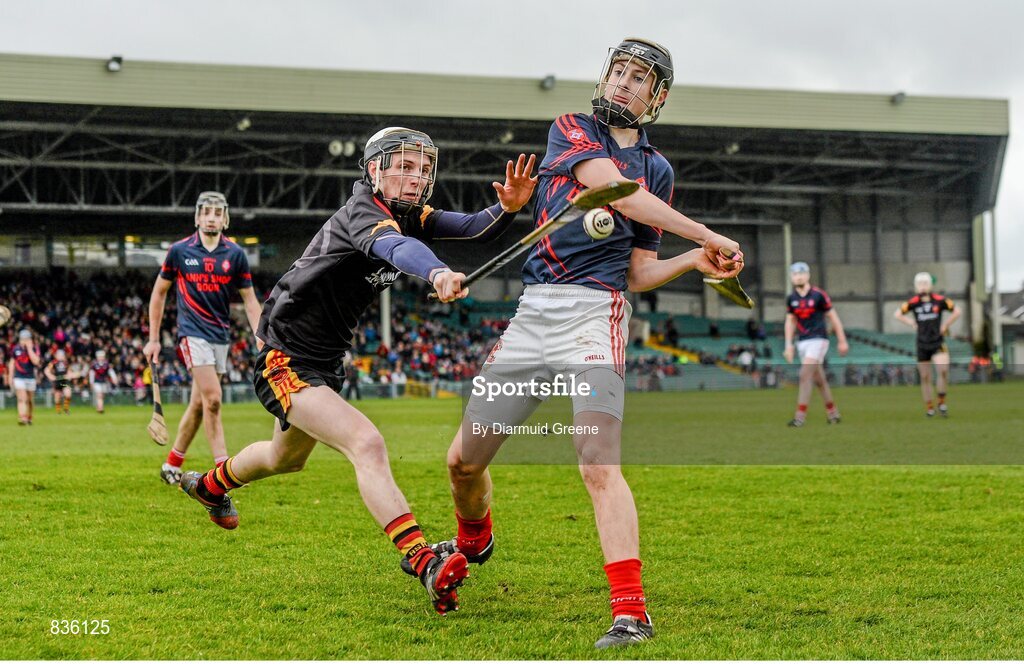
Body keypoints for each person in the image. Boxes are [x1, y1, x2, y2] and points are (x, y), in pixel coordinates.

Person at [420, 37, 743, 649]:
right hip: (535, 312)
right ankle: (472, 541)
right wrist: (710, 233)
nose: (623, 82)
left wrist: (694, 258)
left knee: (598, 463)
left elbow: (638, 272)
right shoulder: (570, 129)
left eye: (638, 78)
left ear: (657, 97)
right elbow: (613, 188)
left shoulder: (659, 169)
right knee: (462, 463)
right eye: (617, 71)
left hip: (597, 315)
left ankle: (631, 613)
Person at [177, 127, 538, 615]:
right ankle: (423, 561)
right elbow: (397, 251)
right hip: (285, 357)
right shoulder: (365, 212)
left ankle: (210, 485)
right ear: (373, 170)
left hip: (324, 361)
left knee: (285, 458)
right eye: (404, 167)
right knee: (366, 443)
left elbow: (471, 227)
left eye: (424, 169)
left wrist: (509, 208)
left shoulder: (412, 215)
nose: (416, 178)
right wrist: (435, 272)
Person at [143, 191, 264, 486]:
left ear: (225, 220)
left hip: (220, 335)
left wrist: (261, 335)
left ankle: (172, 464)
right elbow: (159, 293)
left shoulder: (235, 255)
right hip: (191, 334)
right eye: (206, 212)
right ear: (197, 217)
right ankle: (224, 470)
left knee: (199, 403)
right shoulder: (180, 251)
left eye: (217, 213)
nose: (211, 217)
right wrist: (154, 338)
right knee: (213, 399)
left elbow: (250, 300)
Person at [783, 261, 849, 426]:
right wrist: (788, 345)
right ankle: (833, 413)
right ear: (791, 277)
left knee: (804, 375)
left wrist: (842, 340)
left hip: (819, 340)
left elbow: (833, 317)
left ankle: (800, 417)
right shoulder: (791, 299)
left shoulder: (819, 295)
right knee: (819, 380)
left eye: (801, 273)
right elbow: (790, 321)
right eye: (795, 274)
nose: (798, 276)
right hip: (802, 342)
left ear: (808, 275)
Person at [894, 272, 962, 416]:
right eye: (920, 284)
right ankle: (930, 408)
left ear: (930, 285)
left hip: (937, 342)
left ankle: (942, 402)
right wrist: (911, 322)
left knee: (943, 371)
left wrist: (945, 325)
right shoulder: (913, 302)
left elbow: (957, 311)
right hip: (922, 344)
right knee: (925, 377)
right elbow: (897, 314)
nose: (922, 286)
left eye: (925, 283)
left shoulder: (939, 300)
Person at [8, 329, 41, 425]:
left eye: (26, 339)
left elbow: (36, 361)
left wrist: (29, 349)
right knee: (22, 398)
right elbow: (12, 363)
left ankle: (29, 417)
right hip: (19, 377)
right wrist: (10, 377)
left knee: (30, 400)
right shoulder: (15, 349)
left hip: (30, 377)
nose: (24, 341)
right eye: (23, 339)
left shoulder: (35, 348)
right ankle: (23, 418)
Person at [44, 348, 74, 415]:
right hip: (57, 382)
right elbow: (46, 370)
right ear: (56, 356)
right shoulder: (53, 363)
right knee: (57, 398)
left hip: (65, 382)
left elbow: (70, 370)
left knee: (68, 394)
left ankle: (66, 409)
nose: (61, 356)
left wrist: (69, 375)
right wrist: (51, 377)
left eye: (62, 355)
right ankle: (58, 411)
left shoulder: (66, 362)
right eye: (59, 355)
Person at [89, 349, 117, 413]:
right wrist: (91, 382)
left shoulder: (106, 364)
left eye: (102, 356)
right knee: (99, 395)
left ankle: (99, 407)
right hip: (97, 382)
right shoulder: (94, 365)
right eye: (100, 356)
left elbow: (111, 371)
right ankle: (101, 409)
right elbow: (91, 374)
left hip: (104, 382)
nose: (101, 357)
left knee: (102, 395)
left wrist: (114, 378)